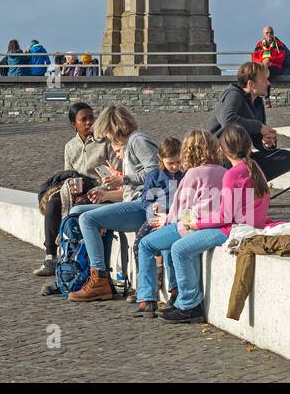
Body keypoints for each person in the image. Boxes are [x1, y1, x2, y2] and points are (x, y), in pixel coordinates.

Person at [145, 125, 270, 323]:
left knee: (179, 248)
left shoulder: (233, 173)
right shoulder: (254, 169)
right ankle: (185, 302)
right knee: (183, 246)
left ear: (222, 149)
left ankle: (189, 305)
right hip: (246, 225)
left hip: (232, 229)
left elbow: (226, 216)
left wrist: (197, 224)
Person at [61, 104, 159, 300]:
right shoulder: (131, 142)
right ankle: (84, 269)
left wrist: (123, 180)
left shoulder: (137, 140)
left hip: (143, 205)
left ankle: (99, 278)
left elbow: (155, 171)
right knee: (77, 211)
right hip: (133, 200)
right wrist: (108, 188)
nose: (106, 137)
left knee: (88, 219)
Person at [133, 129, 226, 319]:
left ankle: (147, 299)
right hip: (214, 225)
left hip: (192, 224)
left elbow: (180, 210)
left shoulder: (193, 174)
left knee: (145, 244)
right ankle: (178, 296)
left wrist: (163, 220)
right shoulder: (224, 171)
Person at [32, 103, 105, 277]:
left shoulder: (104, 142)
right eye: (83, 119)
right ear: (74, 124)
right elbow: (68, 174)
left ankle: (74, 256)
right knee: (54, 203)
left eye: (91, 118)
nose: (89, 123)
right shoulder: (70, 146)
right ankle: (51, 255)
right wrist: (73, 189)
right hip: (77, 187)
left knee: (81, 207)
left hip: (100, 188)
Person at [206, 61, 290, 182]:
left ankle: (247, 187)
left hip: (243, 156)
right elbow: (227, 120)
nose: (268, 83)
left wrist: (267, 143)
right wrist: (259, 126)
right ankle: (237, 189)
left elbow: (256, 139)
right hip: (221, 157)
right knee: (234, 164)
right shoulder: (233, 94)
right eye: (265, 80)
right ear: (251, 83)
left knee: (288, 158)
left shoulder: (258, 103)